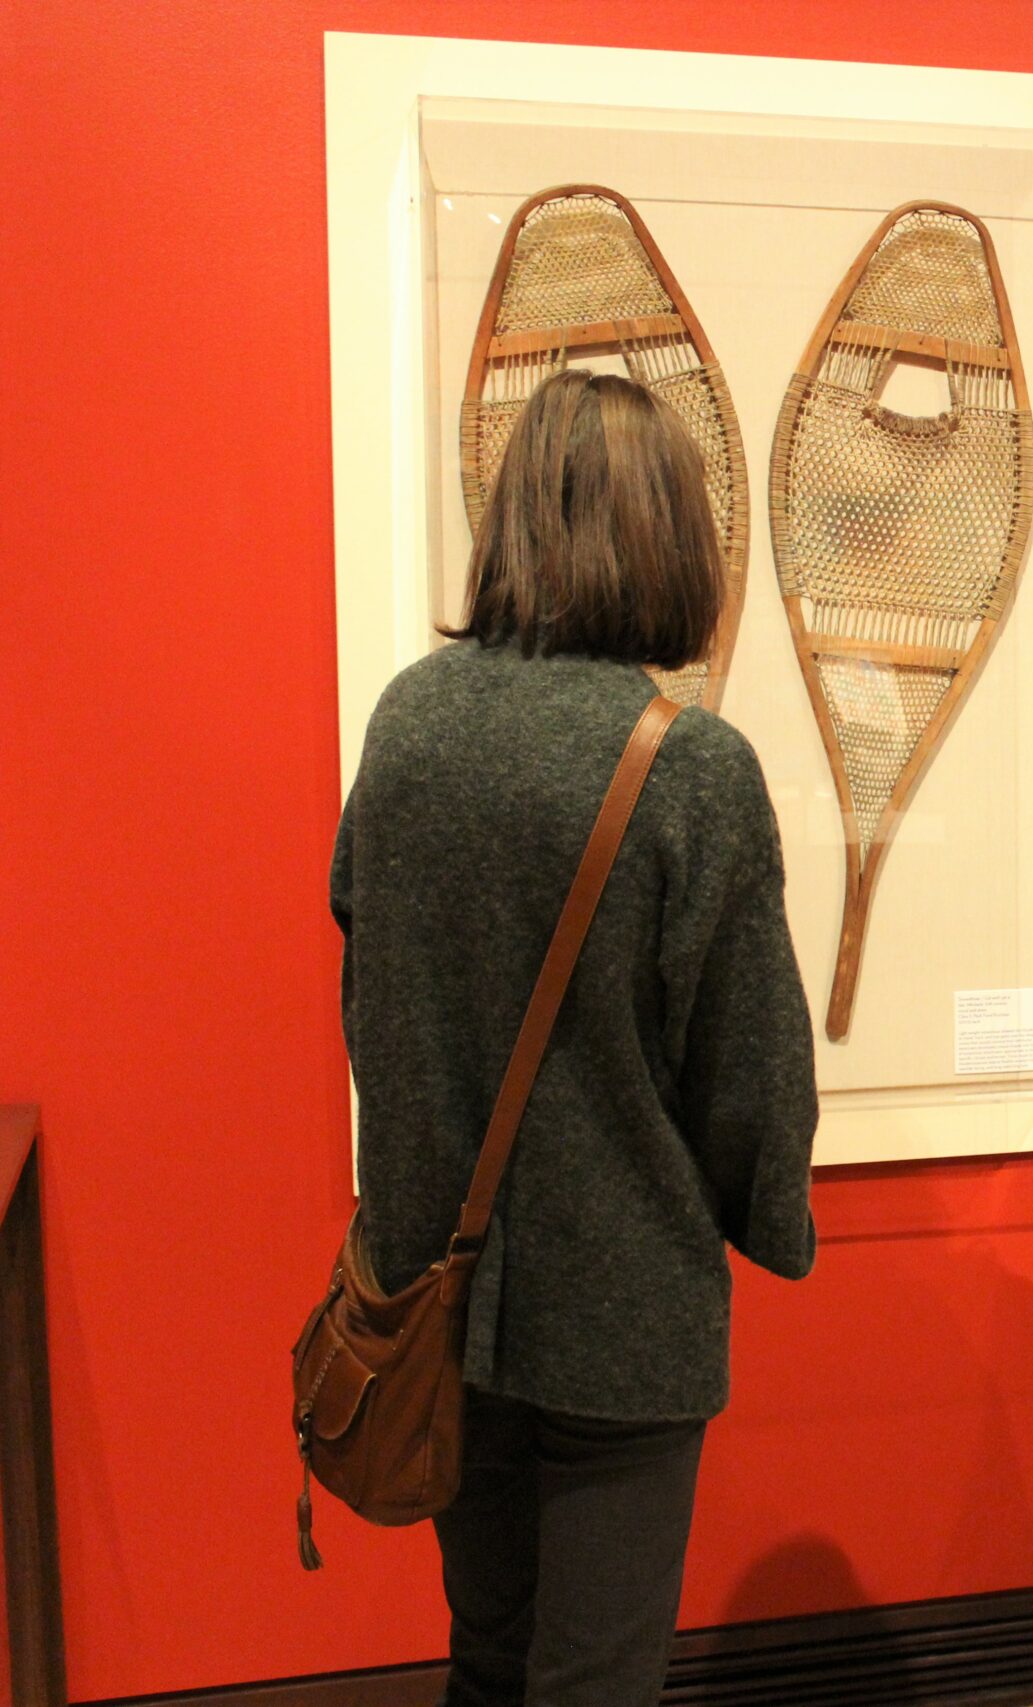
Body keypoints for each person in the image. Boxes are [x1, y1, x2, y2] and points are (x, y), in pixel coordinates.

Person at [331, 370, 819, 1706]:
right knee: (599, 1675)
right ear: (672, 536)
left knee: (488, 1653)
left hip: (432, 1284)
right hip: (626, 1304)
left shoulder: (410, 720)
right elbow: (752, 1072)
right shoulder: (691, 765)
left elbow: (364, 972)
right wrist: (764, 1214)